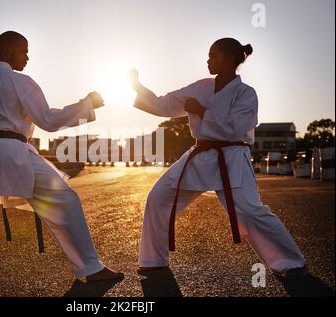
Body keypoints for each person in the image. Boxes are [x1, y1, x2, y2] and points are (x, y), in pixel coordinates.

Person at [0, 31, 123, 282]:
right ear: (9, 51)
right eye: (24, 51)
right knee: (64, 200)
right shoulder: (20, 81)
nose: (27, 57)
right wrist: (86, 104)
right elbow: (48, 120)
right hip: (14, 151)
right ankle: (91, 268)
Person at [129, 38, 307, 279]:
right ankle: (154, 259)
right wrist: (137, 87)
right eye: (208, 55)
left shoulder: (246, 93)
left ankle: (291, 263)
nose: (208, 60)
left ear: (230, 59)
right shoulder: (200, 87)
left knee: (250, 212)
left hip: (231, 156)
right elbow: (166, 105)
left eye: (213, 56)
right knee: (159, 197)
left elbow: (236, 128)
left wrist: (201, 111)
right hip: (199, 154)